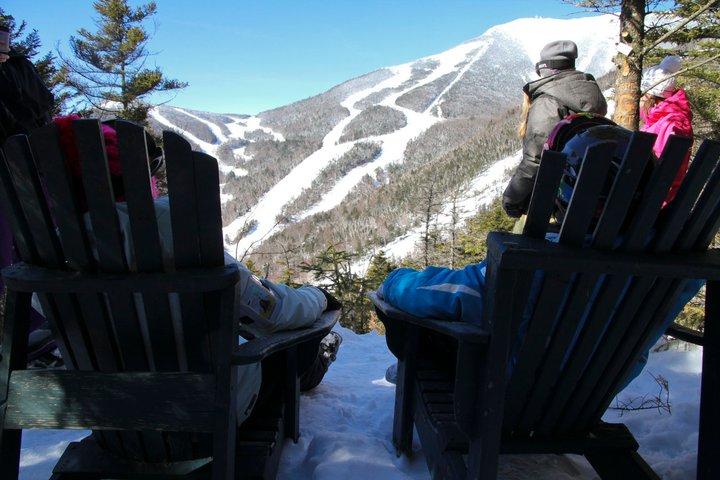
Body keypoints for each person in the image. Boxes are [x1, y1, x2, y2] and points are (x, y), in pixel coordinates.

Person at [45, 117, 342, 430]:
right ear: (134, 175)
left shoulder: (50, 248)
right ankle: (319, 357)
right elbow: (271, 311)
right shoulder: (174, 229)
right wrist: (318, 297)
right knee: (297, 344)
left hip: (106, 412)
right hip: (207, 409)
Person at [380, 122, 698, 389]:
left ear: (566, 193)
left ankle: (414, 378)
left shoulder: (537, 261)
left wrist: (394, 281)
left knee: (405, 319)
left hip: (510, 394)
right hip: (589, 395)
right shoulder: (676, 267)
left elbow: (448, 294)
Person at [0, 23, 57, 365]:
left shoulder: (18, 73)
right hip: (34, 173)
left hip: (25, 174)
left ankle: (39, 339)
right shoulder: (22, 76)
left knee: (31, 255)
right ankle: (41, 338)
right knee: (37, 253)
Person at [503, 40, 607, 220]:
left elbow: (536, 159)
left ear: (545, 71)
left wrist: (511, 199)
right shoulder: (591, 97)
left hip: (567, 204)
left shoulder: (548, 102)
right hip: (598, 197)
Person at [640, 55, 693, 205]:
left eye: (643, 95)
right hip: (656, 199)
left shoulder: (670, 123)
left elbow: (660, 171)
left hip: (653, 203)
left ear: (651, 97)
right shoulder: (665, 119)